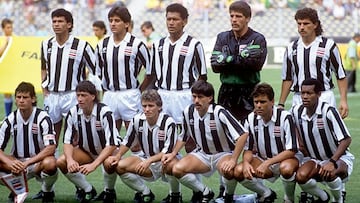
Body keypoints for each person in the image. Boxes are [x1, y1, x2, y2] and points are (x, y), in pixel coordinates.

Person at [161, 80, 249, 203]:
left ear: (210, 98)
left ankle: (228, 197)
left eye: (200, 97)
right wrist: (173, 153)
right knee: (177, 169)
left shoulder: (219, 112)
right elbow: (183, 136)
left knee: (228, 170)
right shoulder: (188, 112)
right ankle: (205, 192)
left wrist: (233, 159)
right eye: (194, 96)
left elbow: (243, 134)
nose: (196, 100)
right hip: (202, 155)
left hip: (222, 154)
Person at [104, 89, 180, 203]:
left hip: (165, 160)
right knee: (118, 165)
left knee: (171, 164)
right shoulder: (137, 119)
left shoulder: (169, 122)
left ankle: (175, 195)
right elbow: (127, 141)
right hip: (146, 158)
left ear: (159, 106)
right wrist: (118, 155)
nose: (147, 109)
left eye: (151, 106)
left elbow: (168, 151)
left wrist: (149, 161)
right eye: (144, 106)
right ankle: (145, 193)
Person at [233, 83, 299, 203]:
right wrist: (247, 163)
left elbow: (292, 149)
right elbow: (248, 148)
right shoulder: (250, 118)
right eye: (256, 102)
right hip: (262, 160)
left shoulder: (285, 117)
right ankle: (266, 193)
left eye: (262, 102)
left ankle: (289, 198)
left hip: (283, 160)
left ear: (272, 101)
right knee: (239, 171)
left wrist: (268, 163)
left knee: (287, 168)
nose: (258, 105)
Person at [278, 7, 349, 119]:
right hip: (299, 98)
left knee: (326, 135)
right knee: (299, 135)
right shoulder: (291, 48)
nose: (302, 27)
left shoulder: (328, 46)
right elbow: (287, 78)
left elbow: (340, 75)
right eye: (299, 24)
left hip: (323, 97)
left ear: (315, 25)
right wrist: (281, 104)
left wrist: (344, 100)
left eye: (306, 23)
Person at [144, 3, 208, 126]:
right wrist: (140, 91)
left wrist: (195, 96)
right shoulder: (158, 45)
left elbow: (202, 76)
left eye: (175, 19)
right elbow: (151, 74)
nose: (171, 23)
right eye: (168, 19)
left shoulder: (194, 44)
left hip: (185, 95)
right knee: (162, 135)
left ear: (184, 21)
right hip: (162, 95)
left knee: (189, 138)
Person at [291, 78, 354, 203]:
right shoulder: (296, 111)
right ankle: (323, 197)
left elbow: (346, 139)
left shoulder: (329, 111)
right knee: (300, 176)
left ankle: (339, 199)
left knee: (330, 173)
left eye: (309, 93)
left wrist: (332, 161)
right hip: (314, 159)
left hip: (339, 158)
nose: (305, 96)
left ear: (319, 94)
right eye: (302, 93)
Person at [56, 81, 120, 203]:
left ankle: (109, 191)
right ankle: (88, 189)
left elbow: (112, 144)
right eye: (78, 95)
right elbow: (67, 141)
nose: (80, 99)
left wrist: (94, 165)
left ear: (93, 96)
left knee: (109, 163)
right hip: (86, 150)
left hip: (108, 151)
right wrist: (70, 160)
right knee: (61, 162)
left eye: (83, 95)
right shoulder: (73, 112)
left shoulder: (105, 112)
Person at [40, 8, 96, 146]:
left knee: (75, 135)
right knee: (50, 134)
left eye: (60, 21)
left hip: (73, 95)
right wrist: (44, 88)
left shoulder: (82, 46)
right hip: (52, 96)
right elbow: (43, 67)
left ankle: (73, 165)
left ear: (69, 24)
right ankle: (51, 164)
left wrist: (87, 92)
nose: (56, 24)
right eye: (54, 21)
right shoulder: (46, 44)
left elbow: (96, 69)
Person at [95, 6, 151, 132]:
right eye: (111, 20)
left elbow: (151, 71)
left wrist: (139, 90)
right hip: (110, 95)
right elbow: (99, 71)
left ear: (126, 24)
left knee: (135, 139)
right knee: (110, 139)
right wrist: (106, 90)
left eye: (117, 20)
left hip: (130, 95)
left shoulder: (137, 44)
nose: (113, 24)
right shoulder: (102, 45)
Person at [0, 82, 58, 203]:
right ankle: (16, 189)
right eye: (18, 97)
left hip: (37, 163)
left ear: (33, 99)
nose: (21, 100)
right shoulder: (10, 119)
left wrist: (28, 163)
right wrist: (11, 164)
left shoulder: (43, 118)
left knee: (51, 163)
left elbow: (51, 148)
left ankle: (47, 192)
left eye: (25, 97)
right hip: (17, 163)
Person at [210, 0, 267, 122]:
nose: (234, 20)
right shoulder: (222, 37)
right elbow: (215, 66)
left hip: (250, 91)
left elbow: (255, 65)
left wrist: (227, 59)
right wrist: (242, 58)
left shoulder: (257, 38)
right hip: (226, 91)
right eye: (231, 16)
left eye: (238, 16)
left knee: (250, 130)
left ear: (248, 18)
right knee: (225, 131)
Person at [0, 18, 14, 117]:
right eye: (8, 27)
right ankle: (8, 116)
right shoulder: (2, 40)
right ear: (3, 29)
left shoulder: (16, 39)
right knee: (7, 92)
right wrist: (6, 43)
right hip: (5, 70)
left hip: (14, 68)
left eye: (11, 27)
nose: (10, 30)